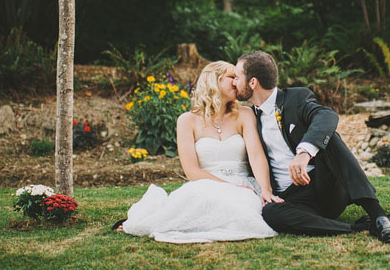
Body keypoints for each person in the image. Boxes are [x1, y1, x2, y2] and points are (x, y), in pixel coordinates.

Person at [233, 51, 390, 243]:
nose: (234, 82)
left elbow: (327, 116)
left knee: (330, 138)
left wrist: (304, 152)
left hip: (325, 188)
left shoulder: (295, 98)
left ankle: (379, 217)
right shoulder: (250, 117)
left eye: (237, 77)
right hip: (294, 201)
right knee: (271, 213)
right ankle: (359, 227)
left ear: (253, 82)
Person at [113, 61, 283, 243]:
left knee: (242, 207)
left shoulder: (244, 114)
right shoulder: (187, 121)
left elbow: (257, 156)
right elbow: (192, 171)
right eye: (232, 77)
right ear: (214, 81)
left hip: (243, 184)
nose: (237, 82)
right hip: (205, 183)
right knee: (196, 199)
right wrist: (228, 186)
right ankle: (150, 221)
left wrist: (265, 190)